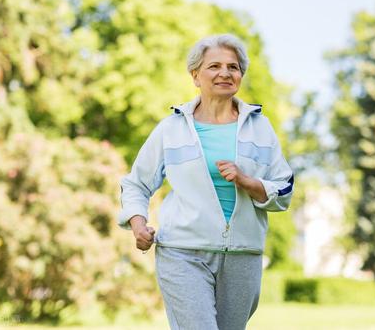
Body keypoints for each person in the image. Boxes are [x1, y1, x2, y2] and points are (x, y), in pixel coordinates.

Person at [117, 34, 294, 330]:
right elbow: (136, 184)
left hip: (242, 255)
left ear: (240, 76)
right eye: (214, 66)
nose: (225, 73)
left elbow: (284, 188)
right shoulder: (171, 129)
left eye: (233, 67)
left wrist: (247, 181)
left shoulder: (260, 128)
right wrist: (137, 225)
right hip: (182, 251)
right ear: (195, 75)